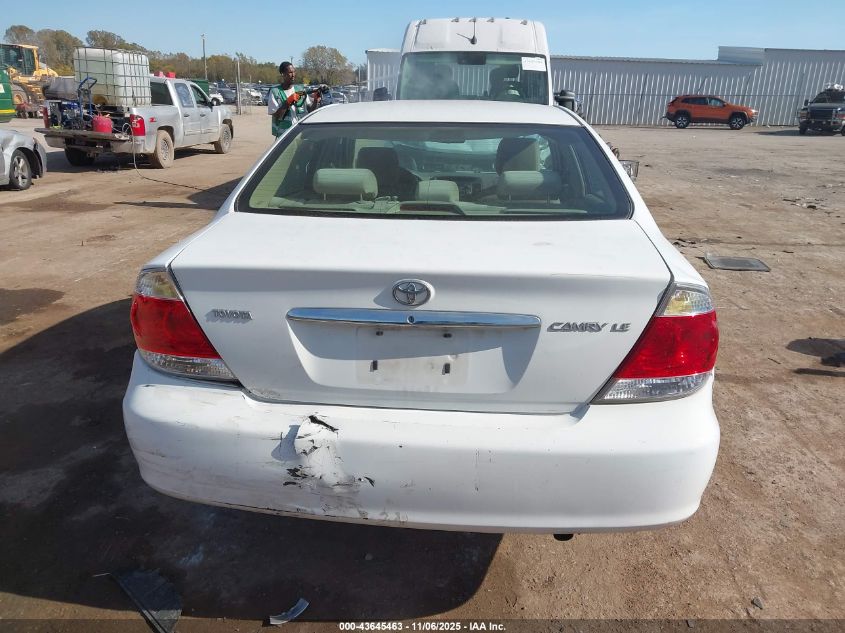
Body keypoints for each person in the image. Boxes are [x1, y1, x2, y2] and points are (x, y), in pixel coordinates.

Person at [267, 62, 321, 137]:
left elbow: (310, 110)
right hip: (284, 136)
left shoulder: (300, 89)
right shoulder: (275, 91)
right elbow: (277, 116)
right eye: (290, 72)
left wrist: (315, 101)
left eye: (294, 72)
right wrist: (288, 102)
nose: (293, 75)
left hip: (300, 135)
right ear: (283, 74)